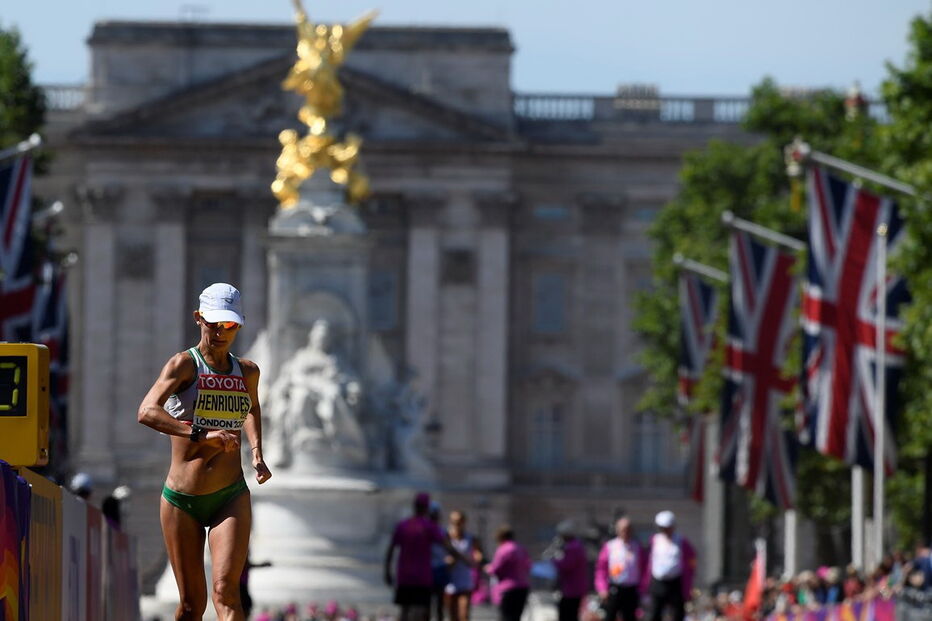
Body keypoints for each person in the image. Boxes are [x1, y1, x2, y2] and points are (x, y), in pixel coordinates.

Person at [137, 282, 272, 621]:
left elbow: (252, 407)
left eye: (230, 325)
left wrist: (257, 452)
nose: (221, 332)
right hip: (183, 498)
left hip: (230, 493)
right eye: (214, 323)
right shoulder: (184, 365)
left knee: (227, 593)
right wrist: (201, 433)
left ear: (239, 324)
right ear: (199, 318)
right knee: (191, 605)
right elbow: (147, 411)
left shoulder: (249, 371)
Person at [385, 493, 471, 621]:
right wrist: (464, 559)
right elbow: (447, 546)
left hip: (404, 575)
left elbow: (391, 550)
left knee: (405, 610)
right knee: (421, 610)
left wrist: (387, 571)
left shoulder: (403, 525)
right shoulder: (429, 527)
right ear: (426, 508)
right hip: (422, 576)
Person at [641, 511, 695, 621]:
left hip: (676, 582)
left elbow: (691, 559)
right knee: (655, 612)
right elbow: (647, 561)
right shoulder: (654, 540)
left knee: (677, 612)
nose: (665, 530)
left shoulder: (681, 540)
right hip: (658, 582)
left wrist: (689, 574)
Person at [595, 517, 645, 621]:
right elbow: (601, 569)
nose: (626, 532)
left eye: (628, 529)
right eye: (623, 529)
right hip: (614, 588)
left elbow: (644, 568)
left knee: (630, 616)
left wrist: (642, 588)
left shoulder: (637, 546)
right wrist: (602, 588)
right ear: (618, 530)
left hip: (632, 589)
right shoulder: (610, 546)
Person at [485, 525, 531, 621]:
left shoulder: (503, 550)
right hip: (522, 587)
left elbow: (495, 569)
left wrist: (487, 568)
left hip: (507, 589)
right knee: (516, 617)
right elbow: (528, 566)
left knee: (506, 617)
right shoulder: (521, 548)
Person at [445, 510, 482, 621]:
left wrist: (475, 560)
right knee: (453, 615)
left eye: (459, 521)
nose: (457, 524)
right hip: (449, 582)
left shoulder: (470, 538)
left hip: (465, 581)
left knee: (464, 614)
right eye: (454, 521)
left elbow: (478, 555)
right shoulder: (446, 538)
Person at [552, 522, 589, 621]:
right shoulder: (577, 546)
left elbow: (566, 565)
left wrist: (554, 561)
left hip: (572, 590)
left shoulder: (573, 547)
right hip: (574, 588)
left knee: (567, 615)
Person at [429, 502, 449, 621]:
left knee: (440, 603)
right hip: (428, 569)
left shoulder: (442, 531)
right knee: (427, 603)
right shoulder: (426, 530)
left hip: (439, 568)